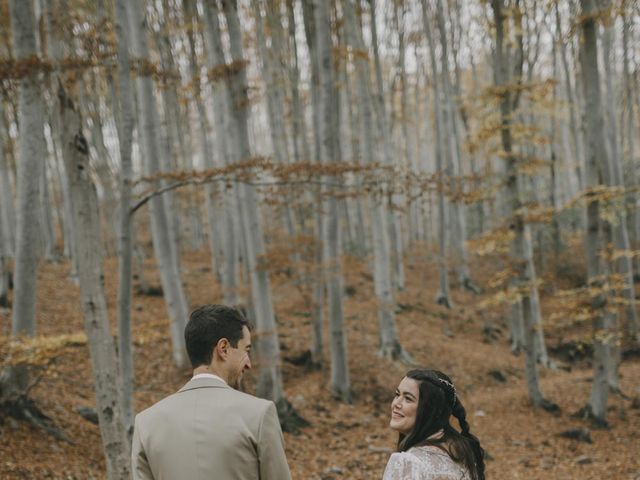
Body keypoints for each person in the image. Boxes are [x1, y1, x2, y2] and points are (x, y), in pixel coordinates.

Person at [131, 304, 292, 480]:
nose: (249, 364)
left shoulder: (146, 423)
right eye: (246, 349)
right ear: (223, 348)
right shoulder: (259, 415)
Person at [383, 369, 485, 480]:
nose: (396, 404)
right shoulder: (463, 451)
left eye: (408, 399)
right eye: (397, 395)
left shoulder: (407, 462)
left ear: (430, 410)